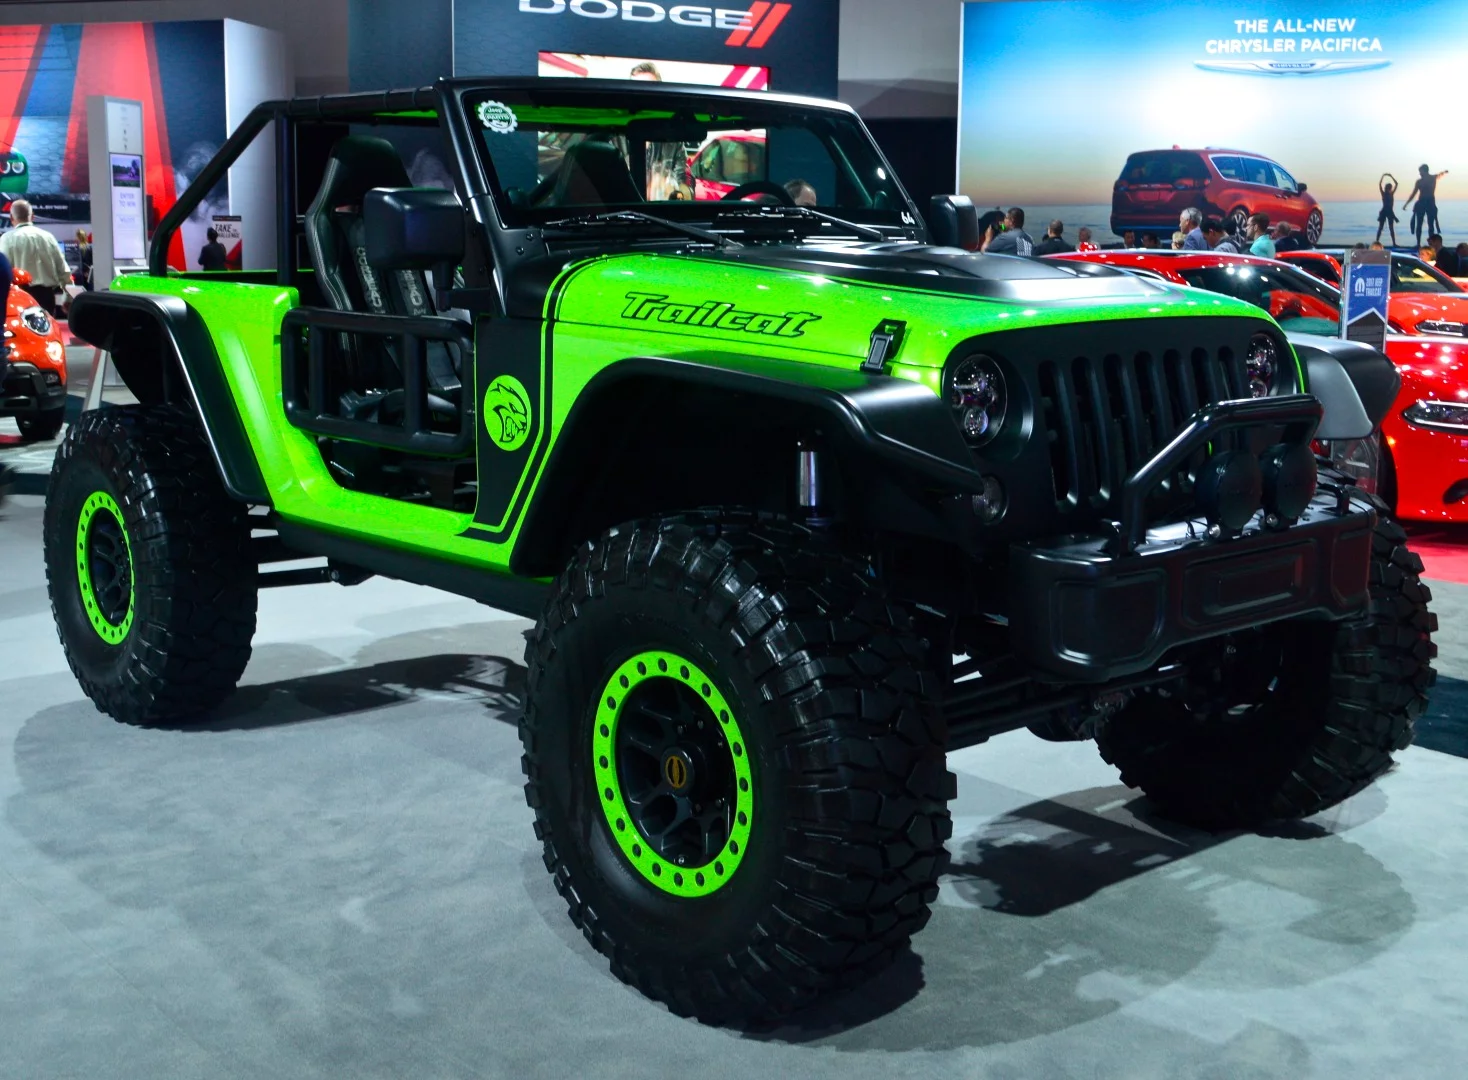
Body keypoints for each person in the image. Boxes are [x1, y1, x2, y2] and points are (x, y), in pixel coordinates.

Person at [0, 200, 69, 316]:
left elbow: (3, 272)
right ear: (32, 216)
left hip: (19, 297)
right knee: (48, 331)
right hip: (46, 297)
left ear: (11, 218)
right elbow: (64, 271)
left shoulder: (6, 239)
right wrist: (68, 298)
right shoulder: (48, 237)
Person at [1403, 164, 1448, 248]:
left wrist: (1444, 172)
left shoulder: (1433, 177)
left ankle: (1432, 244)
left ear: (1425, 171)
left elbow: (1440, 174)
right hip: (1421, 203)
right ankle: (1418, 243)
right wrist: (1406, 204)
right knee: (1419, 224)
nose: (1420, 173)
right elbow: (1413, 193)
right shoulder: (1419, 181)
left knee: (1431, 224)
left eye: (1420, 171)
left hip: (1430, 202)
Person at [1376, 174, 1399, 246]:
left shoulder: (1391, 194)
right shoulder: (1384, 193)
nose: (1390, 189)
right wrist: (1383, 176)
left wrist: (1390, 176)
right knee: (1381, 227)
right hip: (1385, 211)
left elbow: (1396, 184)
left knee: (1391, 228)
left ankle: (1394, 243)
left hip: (1390, 212)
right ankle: (1377, 242)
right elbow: (1380, 185)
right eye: (1390, 188)